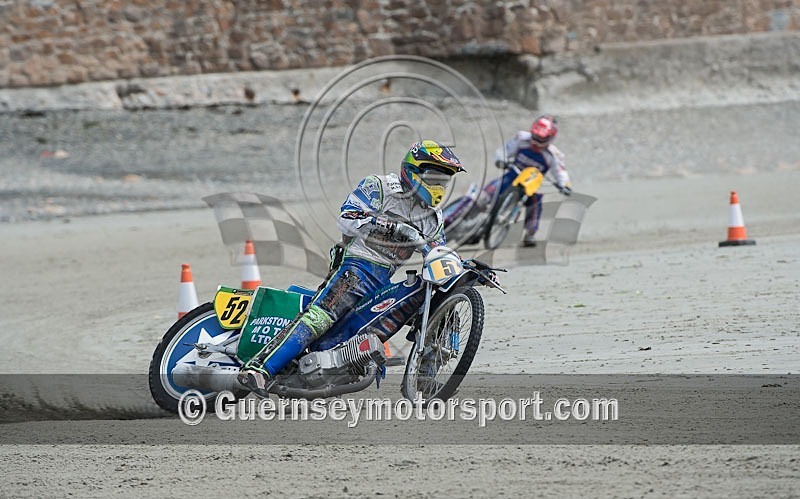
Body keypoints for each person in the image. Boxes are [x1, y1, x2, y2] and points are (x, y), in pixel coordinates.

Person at [238, 140, 465, 391]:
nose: (438, 187)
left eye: (443, 182)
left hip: (384, 278)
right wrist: (392, 226)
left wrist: (463, 269)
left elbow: (437, 254)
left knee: (440, 303)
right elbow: (346, 217)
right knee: (319, 317)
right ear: (414, 170)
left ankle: (424, 378)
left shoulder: (434, 218)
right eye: (433, 178)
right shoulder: (380, 187)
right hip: (355, 265)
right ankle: (259, 368)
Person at [493, 115, 572, 247]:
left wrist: (565, 185)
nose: (538, 141)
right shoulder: (521, 138)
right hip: (513, 174)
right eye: (536, 136)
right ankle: (462, 218)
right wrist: (501, 159)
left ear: (550, 138)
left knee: (535, 202)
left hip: (531, 184)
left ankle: (530, 233)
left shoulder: (553, 154)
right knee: (489, 192)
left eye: (542, 138)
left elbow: (560, 172)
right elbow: (505, 150)